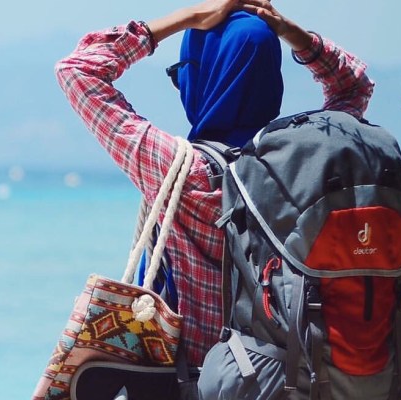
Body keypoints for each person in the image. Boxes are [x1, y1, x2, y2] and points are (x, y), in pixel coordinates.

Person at [55, 0, 373, 377]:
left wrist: (186, 19)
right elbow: (353, 85)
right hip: (290, 379)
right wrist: (287, 31)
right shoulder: (308, 159)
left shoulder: (180, 169)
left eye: (183, 74)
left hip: (198, 380)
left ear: (203, 76)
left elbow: (77, 70)